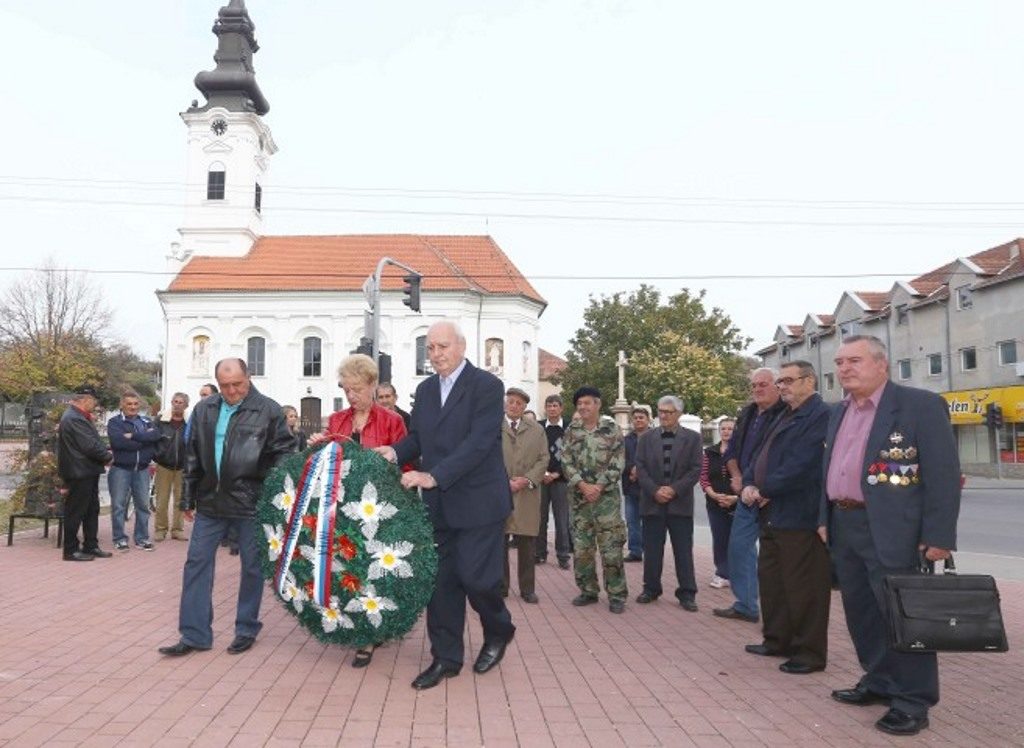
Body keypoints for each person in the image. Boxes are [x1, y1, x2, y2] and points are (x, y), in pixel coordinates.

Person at [820, 335, 960, 737]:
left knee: (903, 616)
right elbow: (828, 468)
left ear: (882, 365)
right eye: (841, 362)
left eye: (855, 361)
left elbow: (943, 476)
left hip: (895, 531)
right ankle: (879, 681)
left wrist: (939, 535)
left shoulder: (920, 406)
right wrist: (823, 515)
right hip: (845, 524)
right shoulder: (838, 411)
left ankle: (913, 700)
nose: (845, 369)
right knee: (861, 612)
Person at [376, 321, 515, 690]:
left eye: (442, 346)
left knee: (477, 579)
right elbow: (419, 437)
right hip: (438, 506)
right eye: (430, 348)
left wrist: (434, 476)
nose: (435, 354)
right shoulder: (424, 390)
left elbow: (479, 442)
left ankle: (499, 629)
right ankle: (446, 658)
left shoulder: (486, 386)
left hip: (480, 502)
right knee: (440, 585)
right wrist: (394, 452)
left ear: (461, 346)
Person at [158, 358, 293, 658]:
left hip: (250, 501)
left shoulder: (268, 410)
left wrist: (271, 493)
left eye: (237, 384)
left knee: (252, 567)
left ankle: (246, 628)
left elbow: (284, 454)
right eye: (225, 386)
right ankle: (194, 634)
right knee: (196, 564)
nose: (231, 391)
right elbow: (193, 455)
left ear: (249, 377)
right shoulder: (205, 409)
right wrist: (187, 498)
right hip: (210, 502)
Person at [309, 353, 408, 668]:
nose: (351, 396)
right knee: (351, 567)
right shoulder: (337, 420)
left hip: (381, 508)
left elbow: (405, 465)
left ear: (372, 385)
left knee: (376, 570)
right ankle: (359, 628)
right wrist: (317, 445)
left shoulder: (393, 421)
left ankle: (372, 630)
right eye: (346, 389)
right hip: (343, 506)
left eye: (357, 389)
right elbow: (328, 458)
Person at [740, 361, 831, 675]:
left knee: (803, 586)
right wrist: (750, 482)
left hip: (800, 513)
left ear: (810, 381)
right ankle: (777, 639)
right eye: (779, 382)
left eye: (788, 381)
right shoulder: (782, 415)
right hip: (771, 512)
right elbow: (758, 455)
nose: (781, 387)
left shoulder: (821, 415)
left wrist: (765, 488)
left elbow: (803, 463)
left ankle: (808, 652)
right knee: (773, 580)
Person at [713, 368, 785, 624]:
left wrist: (762, 485)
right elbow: (731, 450)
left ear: (778, 386)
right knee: (739, 549)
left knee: (775, 556)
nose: (756, 390)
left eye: (762, 385)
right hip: (745, 494)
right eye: (753, 385)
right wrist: (737, 476)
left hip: (773, 495)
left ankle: (778, 616)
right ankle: (746, 605)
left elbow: (782, 455)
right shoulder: (748, 413)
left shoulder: (786, 414)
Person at [560, 386, 628, 613]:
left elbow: (618, 462)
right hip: (580, 500)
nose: (583, 407)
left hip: (606, 500)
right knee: (582, 549)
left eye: (587, 403)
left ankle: (617, 595)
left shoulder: (612, 430)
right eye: (580, 403)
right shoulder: (572, 430)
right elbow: (566, 461)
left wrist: (598, 486)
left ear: (598, 404)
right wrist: (582, 484)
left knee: (611, 548)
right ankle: (588, 590)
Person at [634, 395, 703, 612]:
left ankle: (687, 593)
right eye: (660, 411)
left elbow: (695, 470)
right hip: (652, 502)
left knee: (683, 550)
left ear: (679, 414)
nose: (663, 415)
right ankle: (651, 588)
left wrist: (673, 489)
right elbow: (640, 468)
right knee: (652, 550)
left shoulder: (692, 438)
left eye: (668, 412)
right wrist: (655, 490)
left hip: (679, 503)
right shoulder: (646, 438)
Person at [500, 387, 549, 604]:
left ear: (524, 407)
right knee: (499, 543)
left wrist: (526, 479)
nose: (514, 406)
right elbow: (485, 456)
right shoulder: (493, 427)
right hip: (499, 492)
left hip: (527, 493)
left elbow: (543, 458)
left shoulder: (537, 430)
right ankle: (501, 587)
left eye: (519, 403)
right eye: (511, 401)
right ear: (505, 403)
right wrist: (503, 481)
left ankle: (527, 588)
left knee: (527, 543)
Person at [56, 386, 113, 561]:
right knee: (76, 511)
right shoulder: (74, 418)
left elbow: (91, 443)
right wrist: (108, 456)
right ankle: (70, 550)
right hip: (79, 472)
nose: (95, 405)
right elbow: (89, 445)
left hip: (86, 470)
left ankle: (91, 545)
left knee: (91, 510)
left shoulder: (77, 417)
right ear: (85, 399)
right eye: (94, 401)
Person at [107, 390, 162, 551]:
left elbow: (156, 436)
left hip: (143, 470)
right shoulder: (114, 422)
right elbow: (118, 443)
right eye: (129, 404)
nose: (133, 407)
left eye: (136, 404)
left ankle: (142, 538)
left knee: (143, 506)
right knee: (118, 506)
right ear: (122, 405)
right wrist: (143, 440)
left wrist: (134, 436)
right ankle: (119, 538)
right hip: (120, 470)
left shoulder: (146, 420)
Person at [535, 394, 572, 569]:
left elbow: (572, 456)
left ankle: (563, 555)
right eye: (549, 405)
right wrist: (542, 473)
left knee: (561, 519)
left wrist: (557, 474)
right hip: (541, 480)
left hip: (561, 480)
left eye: (555, 405)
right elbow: (533, 453)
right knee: (540, 519)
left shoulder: (570, 429)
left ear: (561, 408)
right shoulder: (538, 428)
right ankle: (539, 553)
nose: (552, 408)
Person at [700, 418, 737, 588]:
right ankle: (722, 573)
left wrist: (735, 498)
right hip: (714, 503)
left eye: (730, 428)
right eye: (723, 428)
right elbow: (704, 477)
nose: (727, 431)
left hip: (737, 503)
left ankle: (737, 574)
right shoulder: (710, 452)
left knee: (737, 540)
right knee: (720, 538)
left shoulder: (741, 452)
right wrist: (714, 495)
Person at [153, 392, 190, 542]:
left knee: (180, 500)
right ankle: (160, 529)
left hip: (183, 467)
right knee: (162, 500)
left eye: (181, 402)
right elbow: (152, 440)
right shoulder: (160, 421)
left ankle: (177, 530)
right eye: (175, 401)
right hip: (164, 465)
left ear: (186, 405)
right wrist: (157, 455)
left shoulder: (190, 422)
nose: (177, 404)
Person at [621, 406, 651, 562]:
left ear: (648, 420)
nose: (638, 420)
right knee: (632, 521)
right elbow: (620, 460)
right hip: (630, 486)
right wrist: (631, 469)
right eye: (636, 418)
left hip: (649, 488)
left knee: (649, 521)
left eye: (641, 417)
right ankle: (635, 551)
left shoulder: (655, 437)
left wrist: (639, 470)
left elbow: (656, 460)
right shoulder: (626, 440)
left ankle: (650, 550)